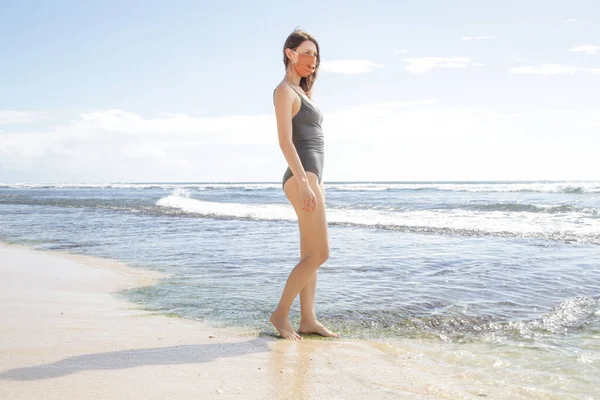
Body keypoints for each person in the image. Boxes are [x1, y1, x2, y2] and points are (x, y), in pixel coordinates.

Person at [270, 29, 339, 340]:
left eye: (316, 55)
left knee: (310, 254)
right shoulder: (284, 91)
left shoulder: (302, 93)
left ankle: (307, 319)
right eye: (307, 52)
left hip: (312, 177)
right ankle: (280, 315)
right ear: (290, 53)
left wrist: (313, 182)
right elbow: (285, 142)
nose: (313, 60)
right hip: (303, 177)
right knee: (320, 253)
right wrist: (304, 182)